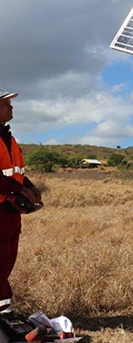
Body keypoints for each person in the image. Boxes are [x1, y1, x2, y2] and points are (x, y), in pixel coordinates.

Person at [0, 87, 42, 315]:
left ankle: (5, 318)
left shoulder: (8, 137)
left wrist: (28, 187)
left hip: (9, 213)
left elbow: (15, 173)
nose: (11, 107)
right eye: (6, 104)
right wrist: (19, 190)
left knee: (5, 266)